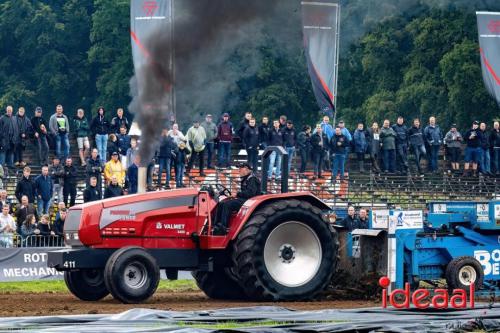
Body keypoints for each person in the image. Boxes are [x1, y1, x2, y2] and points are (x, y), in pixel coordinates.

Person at [214, 163, 261, 235]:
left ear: (246, 168)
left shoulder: (252, 179)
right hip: (246, 200)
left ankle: (223, 227)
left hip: (250, 201)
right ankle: (216, 225)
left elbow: (250, 194)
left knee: (227, 204)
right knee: (221, 203)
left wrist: (237, 194)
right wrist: (235, 196)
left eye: (240, 169)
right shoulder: (246, 179)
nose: (239, 171)